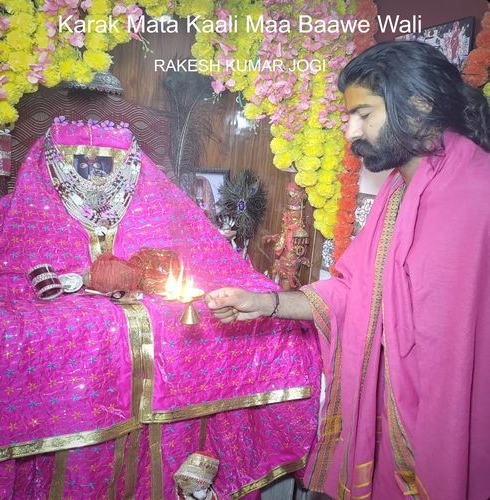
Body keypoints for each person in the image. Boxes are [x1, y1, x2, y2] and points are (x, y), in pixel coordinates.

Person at [205, 41, 490, 499]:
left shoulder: (475, 191)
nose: (351, 131)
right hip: (393, 421)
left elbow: (454, 344)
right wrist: (264, 303)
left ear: (420, 104)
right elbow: (357, 295)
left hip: (449, 427)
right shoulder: (398, 190)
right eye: (348, 116)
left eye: (364, 114)